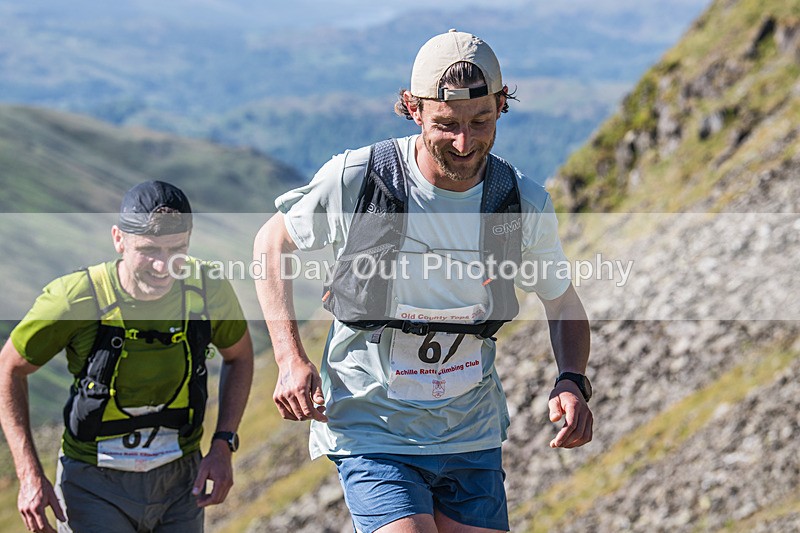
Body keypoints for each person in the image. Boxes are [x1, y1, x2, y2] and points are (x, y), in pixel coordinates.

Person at [254, 30, 592, 533]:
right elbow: (269, 243)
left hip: (470, 432)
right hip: (372, 427)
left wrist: (572, 379)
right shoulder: (360, 178)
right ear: (413, 109)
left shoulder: (519, 202)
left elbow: (561, 301)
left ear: (502, 105)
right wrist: (289, 358)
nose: (464, 142)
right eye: (446, 124)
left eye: (481, 122)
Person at [0, 181, 254, 533]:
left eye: (177, 249)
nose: (164, 266)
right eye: (149, 250)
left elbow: (239, 356)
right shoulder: (75, 298)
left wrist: (223, 444)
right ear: (118, 239)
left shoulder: (207, 287)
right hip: (92, 484)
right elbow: (9, 367)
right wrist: (29, 474)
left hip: (181, 482)